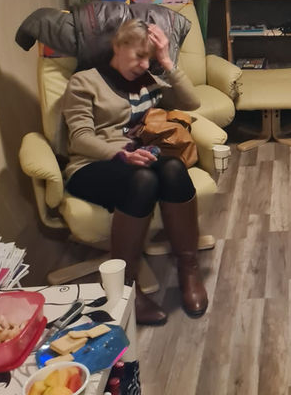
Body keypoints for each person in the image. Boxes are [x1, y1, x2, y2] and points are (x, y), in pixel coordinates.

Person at [62, 20, 208, 326]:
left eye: (149, 58)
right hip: (92, 165)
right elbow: (80, 138)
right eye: (139, 56)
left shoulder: (149, 79)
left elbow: (192, 102)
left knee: (173, 167)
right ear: (118, 46)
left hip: (139, 159)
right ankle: (126, 286)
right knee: (144, 180)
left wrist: (166, 61)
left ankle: (188, 267)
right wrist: (120, 154)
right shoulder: (84, 81)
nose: (143, 65)